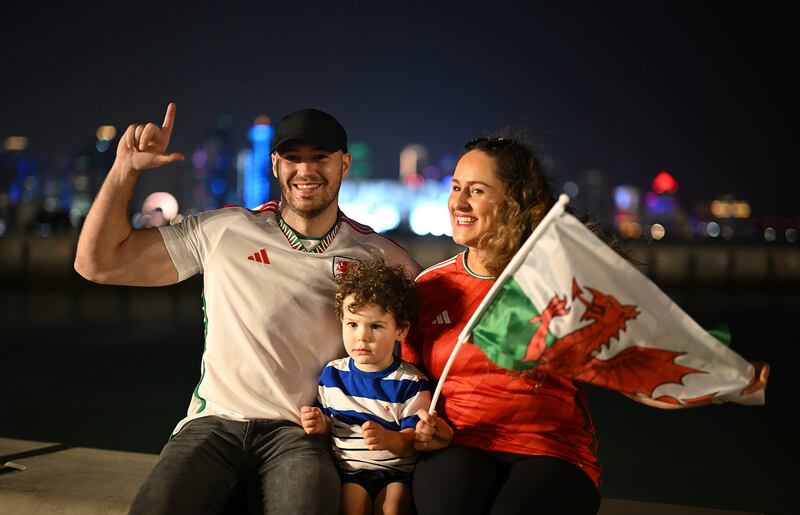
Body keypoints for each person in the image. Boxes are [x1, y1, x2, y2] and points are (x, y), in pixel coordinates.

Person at [73, 104, 420, 514]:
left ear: (344, 164)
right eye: (293, 157)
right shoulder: (225, 230)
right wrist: (125, 169)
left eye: (320, 157)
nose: (305, 170)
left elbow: (440, 328)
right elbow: (97, 263)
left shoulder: (379, 255)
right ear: (275, 165)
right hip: (213, 425)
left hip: (301, 432)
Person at [402, 135, 770, 515]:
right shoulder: (430, 288)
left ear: (513, 201)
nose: (459, 202)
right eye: (456, 188)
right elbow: (406, 386)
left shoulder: (560, 284)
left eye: (476, 190)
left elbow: (630, 370)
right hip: (457, 444)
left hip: (552, 452)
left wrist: (721, 383)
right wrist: (421, 429)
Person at [301, 258, 430, 515]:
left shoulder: (411, 383)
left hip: (396, 473)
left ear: (401, 331)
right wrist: (320, 423)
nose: (362, 336)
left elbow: (412, 441)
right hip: (351, 472)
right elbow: (332, 422)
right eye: (352, 324)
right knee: (351, 507)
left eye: (376, 326)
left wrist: (388, 438)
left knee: (392, 507)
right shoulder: (333, 375)